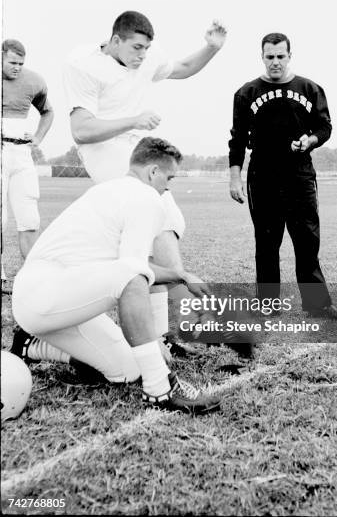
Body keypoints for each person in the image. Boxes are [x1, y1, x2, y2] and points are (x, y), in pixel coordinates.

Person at [11, 137, 220, 414]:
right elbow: (132, 273)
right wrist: (155, 338)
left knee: (127, 369)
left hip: (47, 297)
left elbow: (128, 266)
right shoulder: (147, 199)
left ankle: (32, 345)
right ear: (153, 172)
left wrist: (180, 275)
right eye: (169, 177)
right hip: (47, 292)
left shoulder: (110, 190)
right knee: (132, 277)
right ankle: (159, 390)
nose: (169, 185)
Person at [63, 10, 227, 352]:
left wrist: (210, 48)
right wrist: (134, 119)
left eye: (146, 49)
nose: (142, 55)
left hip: (133, 144)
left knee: (165, 221)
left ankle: (169, 329)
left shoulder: (147, 57)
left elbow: (182, 69)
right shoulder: (83, 64)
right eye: (136, 47)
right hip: (103, 146)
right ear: (116, 40)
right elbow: (81, 130)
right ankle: (185, 315)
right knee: (150, 213)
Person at [228, 32, 337, 318]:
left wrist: (310, 140)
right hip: (263, 176)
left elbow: (324, 126)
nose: (276, 62)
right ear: (262, 57)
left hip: (299, 175)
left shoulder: (310, 88)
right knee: (266, 244)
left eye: (281, 56)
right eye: (270, 57)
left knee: (307, 241)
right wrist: (234, 178)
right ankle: (268, 306)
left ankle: (317, 304)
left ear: (290, 56)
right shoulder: (247, 93)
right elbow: (237, 139)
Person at [2, 39, 54, 291]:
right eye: (12, 62)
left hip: (21, 154)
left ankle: (32, 276)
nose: (17, 67)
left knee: (29, 216)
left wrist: (38, 137)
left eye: (21, 63)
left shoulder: (33, 80)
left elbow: (48, 111)